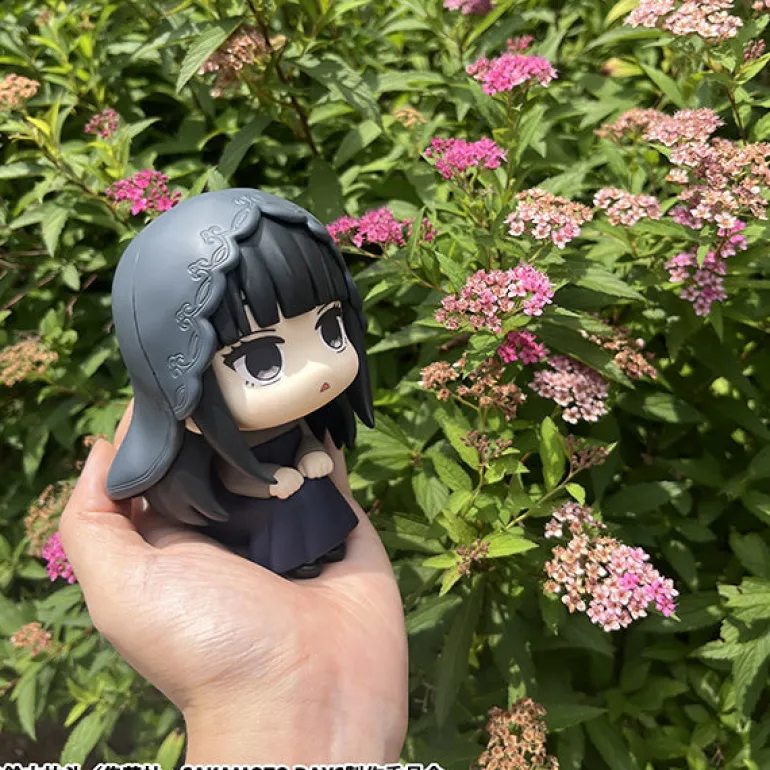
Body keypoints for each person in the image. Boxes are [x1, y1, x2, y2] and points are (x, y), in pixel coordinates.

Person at [59, 404, 409, 763]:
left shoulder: (289, 414)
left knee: (318, 496)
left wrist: (310, 452)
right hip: (263, 501)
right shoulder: (228, 436)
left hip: (300, 484)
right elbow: (233, 477)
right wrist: (270, 482)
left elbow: (307, 438)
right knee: (290, 513)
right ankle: (300, 559)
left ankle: (330, 543)